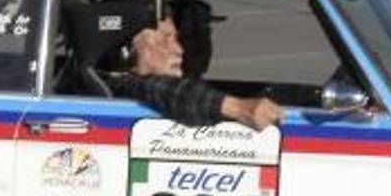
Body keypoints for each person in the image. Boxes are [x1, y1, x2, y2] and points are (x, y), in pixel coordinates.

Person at [110, 15, 282, 131]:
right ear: (128, 53)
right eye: (164, 40)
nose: (179, 49)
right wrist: (239, 108)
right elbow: (171, 92)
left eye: (177, 39)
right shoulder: (124, 85)